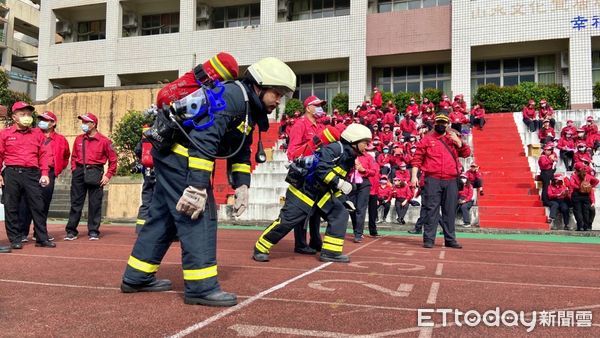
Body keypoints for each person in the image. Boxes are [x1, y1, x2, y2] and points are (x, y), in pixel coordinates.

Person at [121, 56, 295, 307]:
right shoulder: (234, 98)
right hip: (182, 157)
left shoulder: (247, 106)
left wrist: (242, 185)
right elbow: (204, 141)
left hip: (174, 157)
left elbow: (240, 150)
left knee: (164, 217)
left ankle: (136, 276)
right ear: (260, 85)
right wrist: (197, 186)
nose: (279, 100)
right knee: (198, 216)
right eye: (277, 93)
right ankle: (201, 287)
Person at [253, 124, 372, 263]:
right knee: (287, 222)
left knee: (340, 213)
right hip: (303, 192)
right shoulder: (334, 149)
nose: (367, 146)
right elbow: (322, 171)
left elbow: (335, 184)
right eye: (365, 142)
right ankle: (261, 247)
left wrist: (344, 199)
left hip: (320, 193)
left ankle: (331, 252)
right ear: (354, 141)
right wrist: (339, 183)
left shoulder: (349, 158)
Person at [411, 114, 471, 249]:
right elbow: (417, 159)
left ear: (447, 124)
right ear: (434, 123)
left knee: (449, 211)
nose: (441, 125)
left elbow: (466, 153)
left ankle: (450, 239)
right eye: (439, 122)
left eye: (444, 123)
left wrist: (459, 142)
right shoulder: (426, 140)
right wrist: (414, 177)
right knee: (431, 210)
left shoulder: (453, 138)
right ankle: (429, 239)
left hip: (451, 179)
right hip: (433, 179)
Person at [0, 101, 54, 249]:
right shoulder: (5, 134)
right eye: (22, 114)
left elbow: (44, 155)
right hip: (11, 173)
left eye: (29, 114)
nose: (27, 117)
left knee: (38, 205)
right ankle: (15, 239)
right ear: (14, 117)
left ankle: (42, 238)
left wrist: (45, 173)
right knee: (11, 207)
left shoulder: (37, 133)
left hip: (32, 173)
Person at [286, 95, 329, 255]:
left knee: (316, 208)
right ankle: (301, 243)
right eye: (317, 105)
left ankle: (315, 239)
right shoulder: (300, 125)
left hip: (317, 174)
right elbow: (292, 152)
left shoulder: (319, 126)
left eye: (321, 105)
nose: (320, 108)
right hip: (305, 174)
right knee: (303, 209)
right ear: (308, 108)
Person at [64, 113, 118, 241]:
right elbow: (74, 157)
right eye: (82, 122)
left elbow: (113, 160)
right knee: (76, 203)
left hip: (95, 172)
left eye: (86, 122)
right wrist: (74, 169)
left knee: (95, 203)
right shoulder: (78, 139)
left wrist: (108, 175)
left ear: (93, 124)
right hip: (79, 172)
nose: (83, 125)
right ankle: (71, 231)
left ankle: (93, 231)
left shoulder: (105, 141)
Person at [18, 111, 70, 242]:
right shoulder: (32, 134)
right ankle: (22, 232)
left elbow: (65, 156)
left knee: (43, 203)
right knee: (26, 202)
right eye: (40, 119)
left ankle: (39, 233)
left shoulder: (61, 139)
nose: (42, 121)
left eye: (45, 119)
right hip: (31, 172)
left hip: (49, 173)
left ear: (53, 123)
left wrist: (57, 169)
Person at [348, 152, 378, 243]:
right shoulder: (349, 155)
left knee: (361, 209)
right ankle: (355, 229)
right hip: (351, 182)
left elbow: (373, 172)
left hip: (364, 183)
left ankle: (358, 234)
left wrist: (363, 169)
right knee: (351, 208)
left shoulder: (368, 157)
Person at [133, 125, 156, 234]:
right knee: (160, 202)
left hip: (147, 173)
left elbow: (137, 151)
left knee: (146, 201)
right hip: (159, 173)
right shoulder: (160, 137)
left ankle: (140, 228)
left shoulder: (144, 140)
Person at [568, 162, 598, 231]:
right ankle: (586, 227)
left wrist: (579, 187)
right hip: (586, 195)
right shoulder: (588, 175)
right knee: (586, 211)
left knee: (578, 211)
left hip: (577, 195)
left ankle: (580, 227)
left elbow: (571, 184)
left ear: (576, 169)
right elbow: (597, 181)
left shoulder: (573, 176)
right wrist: (590, 186)